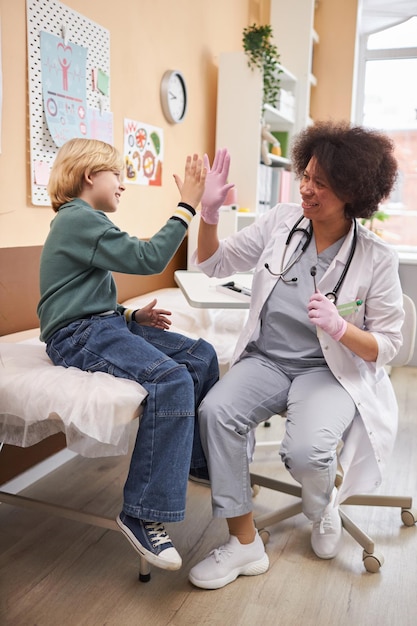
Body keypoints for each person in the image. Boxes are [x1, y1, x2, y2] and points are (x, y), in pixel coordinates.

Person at [188, 122, 404, 590]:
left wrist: (342, 327)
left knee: (307, 453)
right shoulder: (281, 221)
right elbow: (212, 264)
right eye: (305, 175)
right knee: (215, 412)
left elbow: (388, 344)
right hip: (266, 360)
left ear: (353, 193)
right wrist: (207, 214)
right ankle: (244, 543)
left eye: (321, 183)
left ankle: (323, 503)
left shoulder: (376, 258)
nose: (307, 189)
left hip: (329, 372)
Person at [37, 138, 228, 572]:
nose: (123, 186)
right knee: (172, 378)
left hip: (99, 324)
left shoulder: (85, 223)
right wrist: (187, 205)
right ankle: (141, 512)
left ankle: (196, 464)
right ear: (90, 176)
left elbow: (76, 292)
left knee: (200, 356)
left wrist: (128, 314)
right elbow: (148, 258)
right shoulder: (77, 220)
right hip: (77, 336)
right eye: (117, 176)